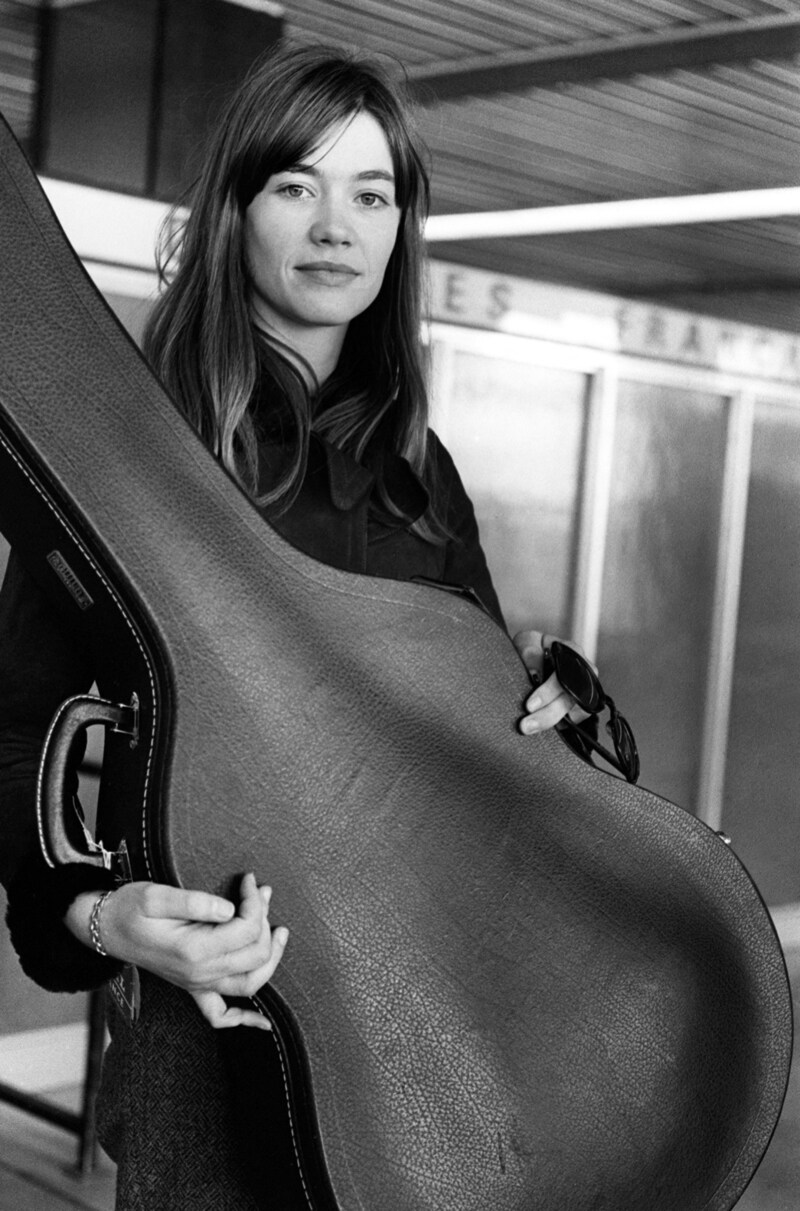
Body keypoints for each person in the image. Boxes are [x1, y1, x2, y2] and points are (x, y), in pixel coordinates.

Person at [0, 43, 586, 1209]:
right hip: (206, 1037)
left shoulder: (420, 473)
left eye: (370, 194)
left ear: (399, 229)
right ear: (234, 209)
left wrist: (545, 704)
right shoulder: (131, 458)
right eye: (295, 185)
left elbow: (475, 749)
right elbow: (11, 737)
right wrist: (101, 914)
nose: (336, 225)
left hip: (429, 1019)